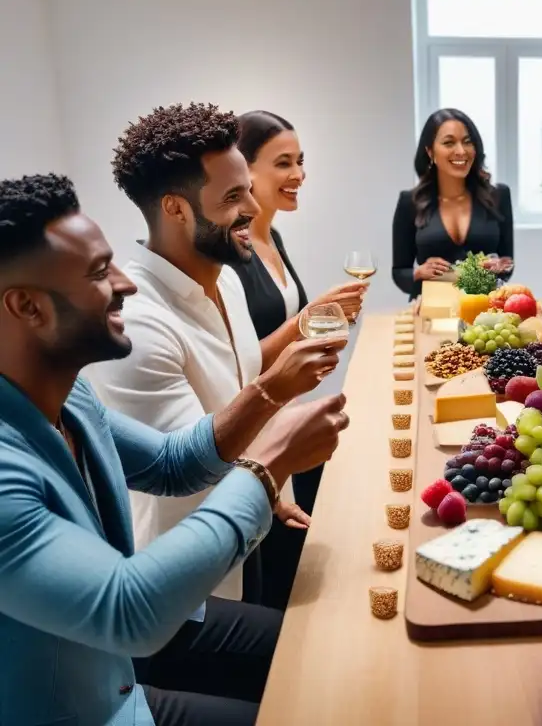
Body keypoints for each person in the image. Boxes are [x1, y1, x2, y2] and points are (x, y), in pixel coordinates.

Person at [0, 173, 348, 725]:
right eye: (98, 273)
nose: (125, 284)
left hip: (125, 682)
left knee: (323, 654)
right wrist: (268, 465)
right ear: (28, 308)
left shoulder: (72, 397)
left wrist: (269, 392)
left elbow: (170, 464)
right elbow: (128, 612)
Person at [86, 102, 333, 610]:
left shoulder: (225, 280)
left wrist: (275, 488)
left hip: (250, 531)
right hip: (190, 592)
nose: (254, 208)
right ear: (176, 208)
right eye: (233, 196)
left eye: (247, 188)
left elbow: (234, 408)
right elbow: (186, 474)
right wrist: (277, 398)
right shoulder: (139, 323)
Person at [231, 110, 364, 607]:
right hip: (259, 432)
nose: (299, 175)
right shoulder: (233, 253)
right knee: (281, 580)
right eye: (283, 162)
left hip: (289, 417)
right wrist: (311, 317)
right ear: (243, 170)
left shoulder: (272, 238)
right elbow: (239, 362)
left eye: (301, 161)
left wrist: (320, 323)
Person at [391, 108, 514, 298]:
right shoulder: (410, 202)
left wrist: (499, 267)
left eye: (467, 142)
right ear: (430, 151)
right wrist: (418, 273)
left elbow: (508, 262)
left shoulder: (499, 196)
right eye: (449, 143)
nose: (461, 151)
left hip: (484, 312)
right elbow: (399, 271)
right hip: (432, 311)